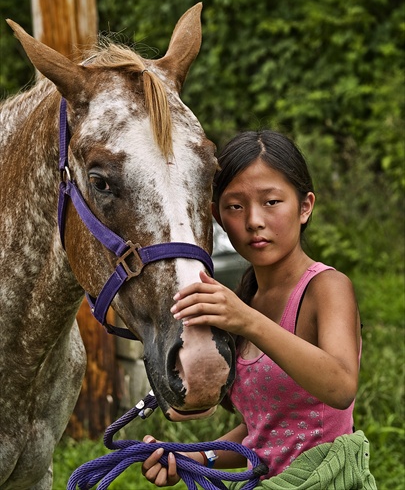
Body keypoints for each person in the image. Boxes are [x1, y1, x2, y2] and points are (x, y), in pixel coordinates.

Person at [141, 130, 365, 486]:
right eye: (235, 206)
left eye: (271, 202)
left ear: (305, 206)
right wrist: (195, 457)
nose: (254, 221)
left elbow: (340, 387)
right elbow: (263, 430)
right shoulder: (245, 300)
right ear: (217, 215)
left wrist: (247, 321)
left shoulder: (326, 288)